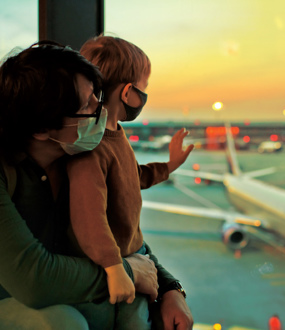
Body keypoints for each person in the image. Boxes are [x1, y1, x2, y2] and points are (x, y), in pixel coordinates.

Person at [0, 41, 191, 330]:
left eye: (97, 95)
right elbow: (33, 278)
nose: (101, 108)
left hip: (51, 296)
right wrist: (128, 274)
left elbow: (119, 232)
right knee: (60, 324)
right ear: (41, 128)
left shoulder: (70, 153)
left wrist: (170, 289)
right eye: (87, 104)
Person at [65, 35, 194, 329]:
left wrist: (169, 166)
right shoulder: (91, 147)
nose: (144, 97)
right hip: (112, 271)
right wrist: (114, 267)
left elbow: (133, 178)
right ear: (127, 93)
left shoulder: (115, 133)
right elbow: (89, 218)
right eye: (143, 89)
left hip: (132, 261)